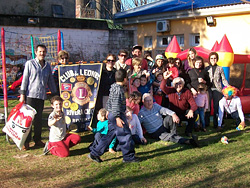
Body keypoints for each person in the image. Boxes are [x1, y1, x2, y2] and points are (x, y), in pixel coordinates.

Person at [88, 69, 139, 163]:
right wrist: (117, 118)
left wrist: (107, 110)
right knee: (125, 135)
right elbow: (115, 104)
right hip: (117, 115)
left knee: (109, 135)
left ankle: (94, 153)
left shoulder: (113, 87)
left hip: (112, 114)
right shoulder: (118, 90)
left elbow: (109, 100)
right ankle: (128, 157)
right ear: (124, 79)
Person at [19, 44, 57, 150]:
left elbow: (50, 81)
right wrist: (22, 94)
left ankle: (37, 139)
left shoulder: (47, 66)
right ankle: (26, 142)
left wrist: (54, 95)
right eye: (40, 51)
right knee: (29, 120)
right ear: (36, 52)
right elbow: (25, 80)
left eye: (44, 52)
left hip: (41, 96)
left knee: (38, 120)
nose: (42, 54)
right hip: (30, 95)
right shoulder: (30, 64)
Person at [206, 52, 229, 128]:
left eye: (215, 58)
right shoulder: (207, 68)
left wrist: (228, 86)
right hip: (208, 89)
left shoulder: (220, 68)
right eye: (211, 58)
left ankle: (217, 123)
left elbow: (223, 80)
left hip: (217, 89)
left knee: (217, 106)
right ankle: (207, 123)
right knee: (207, 106)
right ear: (209, 59)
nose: (213, 60)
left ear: (217, 59)